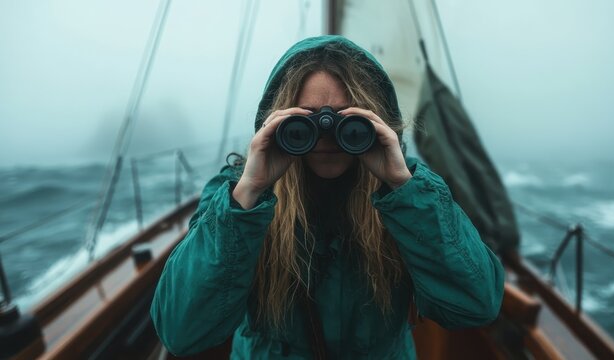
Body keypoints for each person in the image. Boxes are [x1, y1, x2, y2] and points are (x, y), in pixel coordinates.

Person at [150, 35, 504, 359]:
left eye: (348, 122)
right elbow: (180, 332)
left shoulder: (411, 192)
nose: (328, 137)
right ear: (276, 122)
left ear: (378, 121)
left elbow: (476, 305)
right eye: (304, 121)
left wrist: (402, 185)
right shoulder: (235, 194)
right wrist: (247, 194)